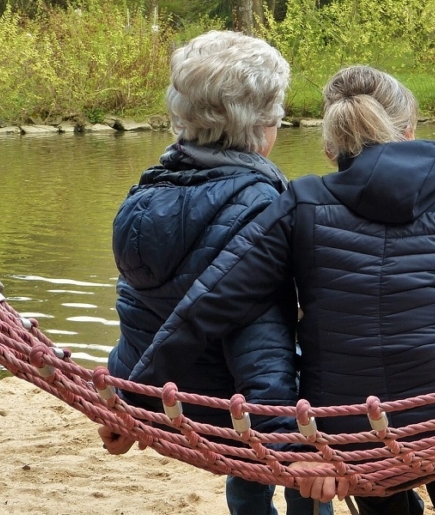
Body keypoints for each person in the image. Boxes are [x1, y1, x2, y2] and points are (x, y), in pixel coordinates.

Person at [133, 65, 435, 515]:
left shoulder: (298, 204)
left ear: (331, 146)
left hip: (347, 435)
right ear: (408, 131)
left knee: (372, 482)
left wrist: (136, 396)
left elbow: (211, 303)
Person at [95, 30, 330, 515]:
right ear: (264, 125)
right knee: (331, 381)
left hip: (170, 401)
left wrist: (125, 399)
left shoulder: (141, 197)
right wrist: (288, 448)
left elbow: (138, 311)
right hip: (240, 411)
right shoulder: (265, 207)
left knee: (249, 464)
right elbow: (261, 344)